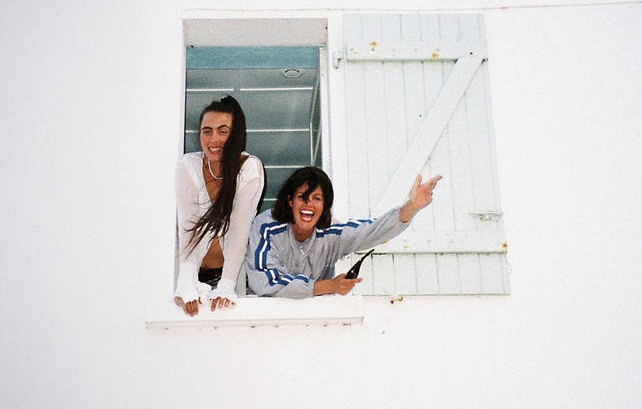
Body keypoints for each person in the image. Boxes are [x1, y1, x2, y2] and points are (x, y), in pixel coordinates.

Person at [246, 166, 441, 298]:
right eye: (302, 197)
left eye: (317, 198)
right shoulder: (266, 227)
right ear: (290, 201)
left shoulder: (331, 233)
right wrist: (329, 286)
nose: (309, 205)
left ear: (325, 205)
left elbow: (373, 230)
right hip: (265, 323)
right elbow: (268, 282)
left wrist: (412, 206)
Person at [174, 95, 264, 315]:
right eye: (207, 131)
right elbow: (188, 228)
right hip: (191, 272)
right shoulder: (188, 167)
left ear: (235, 135)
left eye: (223, 131)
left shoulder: (249, 169)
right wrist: (186, 282)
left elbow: (238, 231)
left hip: (230, 275)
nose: (213, 139)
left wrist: (226, 285)